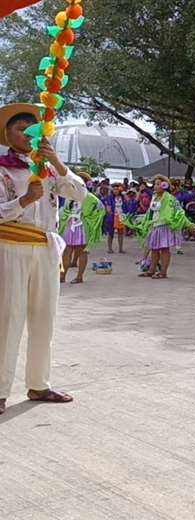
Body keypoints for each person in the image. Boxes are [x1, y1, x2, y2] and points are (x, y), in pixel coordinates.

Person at [0, 102, 88, 413]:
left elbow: (79, 194)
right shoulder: (1, 166)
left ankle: (39, 384)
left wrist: (58, 162)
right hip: (10, 247)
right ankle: (0, 391)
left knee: (44, 319)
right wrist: (24, 200)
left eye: (31, 129)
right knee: (8, 318)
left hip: (46, 249)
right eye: (19, 128)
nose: (26, 134)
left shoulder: (47, 167)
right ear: (7, 133)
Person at [125, 175, 192, 279]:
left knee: (164, 249)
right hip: (155, 226)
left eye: (157, 184)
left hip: (164, 227)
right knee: (154, 249)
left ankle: (163, 272)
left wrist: (188, 224)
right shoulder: (155, 197)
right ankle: (151, 270)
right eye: (154, 184)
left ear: (164, 185)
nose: (155, 187)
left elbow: (179, 211)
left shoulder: (170, 198)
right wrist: (145, 223)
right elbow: (150, 212)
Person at [59, 171, 106, 284]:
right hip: (70, 226)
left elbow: (101, 209)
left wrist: (90, 218)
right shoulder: (70, 197)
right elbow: (65, 210)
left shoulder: (90, 197)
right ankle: (62, 276)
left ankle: (79, 276)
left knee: (82, 252)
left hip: (82, 227)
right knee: (67, 251)